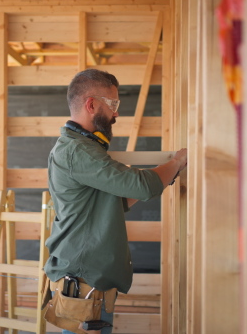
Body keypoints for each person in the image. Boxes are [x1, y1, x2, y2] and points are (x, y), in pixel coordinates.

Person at [43, 69, 187, 334]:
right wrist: (177, 162)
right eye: (113, 104)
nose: (116, 113)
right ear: (91, 104)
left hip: (89, 281)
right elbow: (142, 185)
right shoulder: (78, 151)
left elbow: (114, 203)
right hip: (85, 283)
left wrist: (165, 178)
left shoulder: (82, 148)